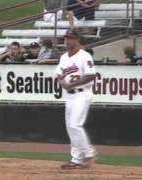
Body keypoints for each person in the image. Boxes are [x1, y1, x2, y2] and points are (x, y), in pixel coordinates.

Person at [55, 29, 96, 169]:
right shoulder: (64, 57)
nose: (68, 40)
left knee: (74, 125)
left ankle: (88, 153)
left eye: (71, 38)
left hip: (82, 93)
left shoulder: (85, 56)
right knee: (70, 128)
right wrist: (63, 83)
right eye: (66, 37)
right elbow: (59, 74)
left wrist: (71, 84)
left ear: (77, 40)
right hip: (70, 95)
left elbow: (91, 75)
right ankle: (76, 159)